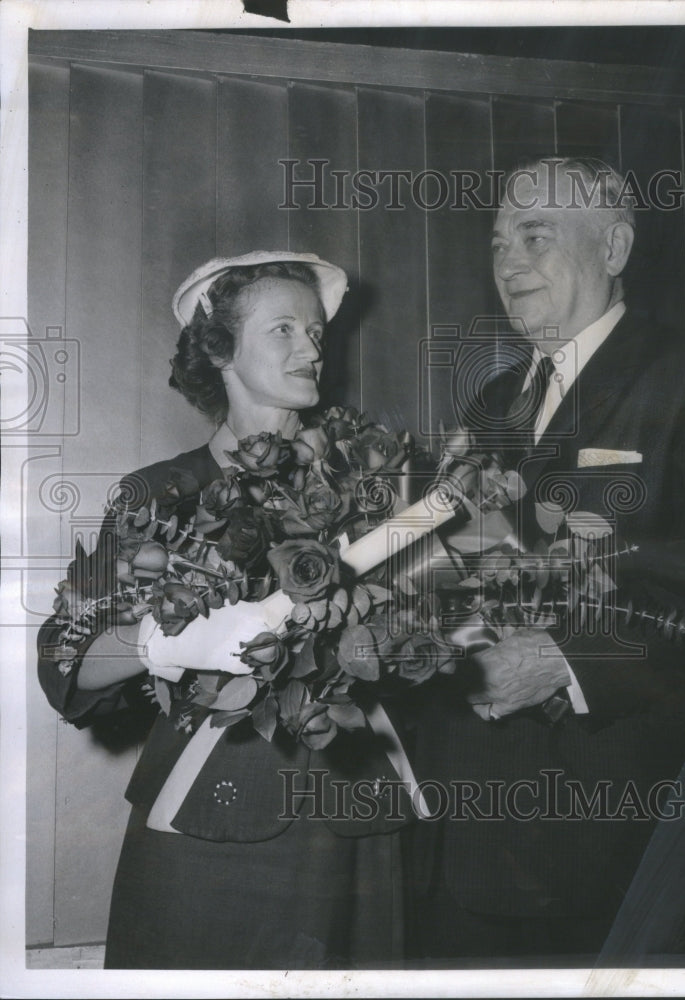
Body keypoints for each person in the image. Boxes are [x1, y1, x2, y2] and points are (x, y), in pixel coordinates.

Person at [405, 157, 685, 963]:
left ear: (612, 247)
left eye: (535, 236)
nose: (507, 262)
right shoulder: (491, 402)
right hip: (464, 820)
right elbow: (462, 563)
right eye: (498, 240)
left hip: (612, 830)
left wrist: (567, 664)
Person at [37, 251, 415, 970]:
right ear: (220, 351)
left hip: (359, 820)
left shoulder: (375, 486)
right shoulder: (158, 493)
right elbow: (64, 658)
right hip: (207, 820)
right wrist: (160, 646)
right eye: (283, 330)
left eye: (314, 332)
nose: (311, 347)